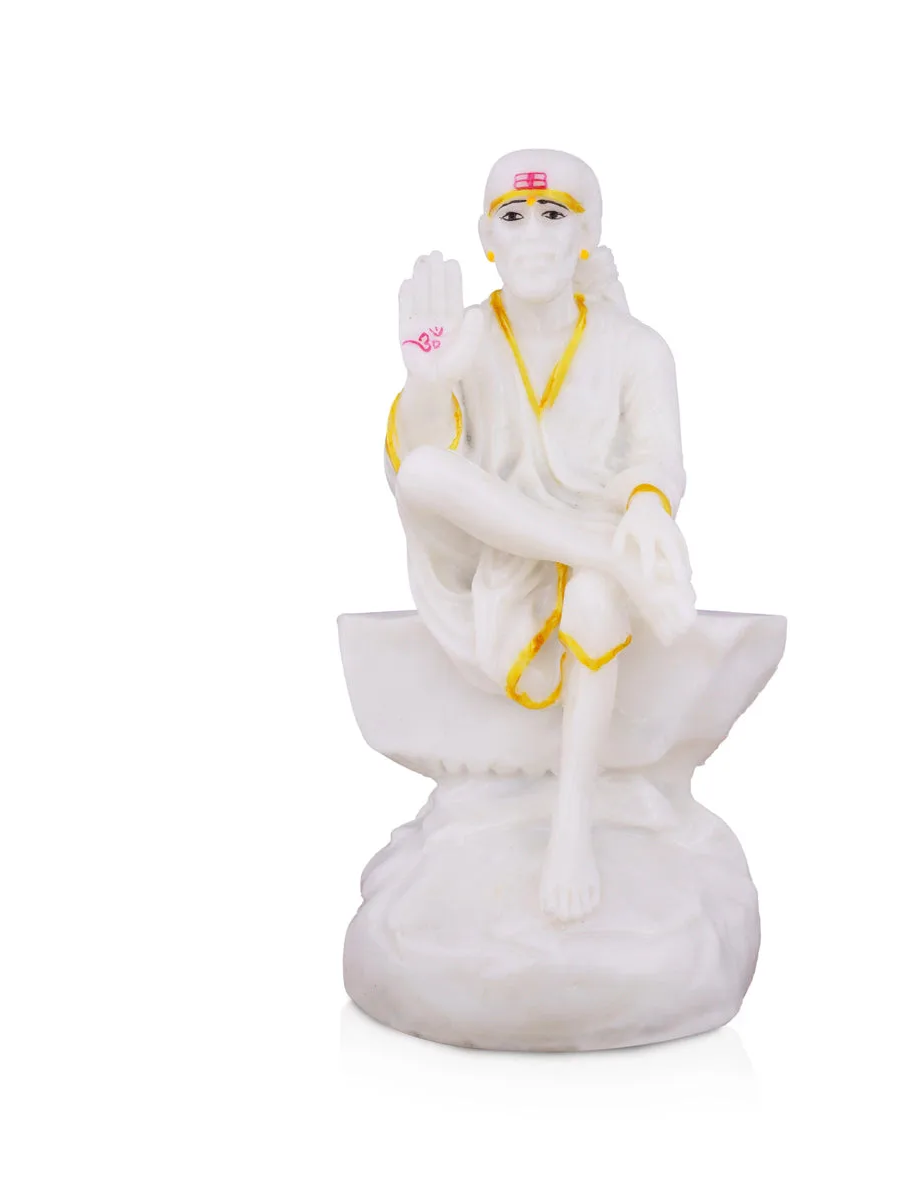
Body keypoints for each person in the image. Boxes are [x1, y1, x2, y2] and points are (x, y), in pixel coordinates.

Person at [384, 148, 696, 921]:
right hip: (494, 552)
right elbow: (427, 460)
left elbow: (658, 457)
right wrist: (428, 382)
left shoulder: (637, 347)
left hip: (601, 535)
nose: (532, 235)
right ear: (486, 237)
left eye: (553, 216)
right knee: (422, 471)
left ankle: (571, 828)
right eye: (513, 217)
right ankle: (607, 560)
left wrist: (648, 507)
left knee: (594, 601)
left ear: (586, 236)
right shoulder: (466, 336)